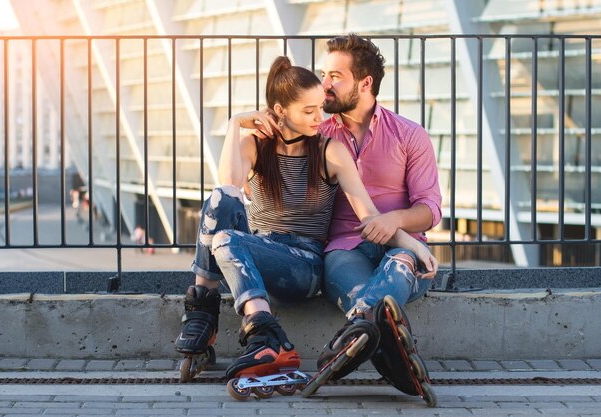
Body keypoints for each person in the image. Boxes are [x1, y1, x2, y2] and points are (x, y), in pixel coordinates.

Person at [174, 56, 437, 384]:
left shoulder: (330, 150)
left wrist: (410, 242)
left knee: (226, 240)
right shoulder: (255, 145)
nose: (320, 117)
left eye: (319, 108)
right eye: (309, 111)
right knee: (220, 200)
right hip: (259, 248)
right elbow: (227, 186)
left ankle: (263, 334)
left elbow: (367, 214)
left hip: (303, 265)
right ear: (281, 110)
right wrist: (234, 124)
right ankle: (208, 313)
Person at [316, 34, 443, 394]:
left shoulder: (410, 135)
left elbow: (430, 209)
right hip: (344, 250)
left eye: (335, 76)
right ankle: (393, 356)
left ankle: (344, 346)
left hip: (404, 252)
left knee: (400, 262)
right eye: (323, 74)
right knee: (377, 301)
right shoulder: (318, 137)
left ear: (365, 82)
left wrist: (395, 221)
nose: (324, 84)